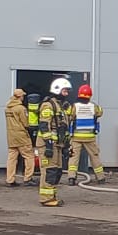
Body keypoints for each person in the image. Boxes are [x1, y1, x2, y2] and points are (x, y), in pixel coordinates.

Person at [36, 77, 75, 207]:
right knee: (49, 171)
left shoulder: (62, 107)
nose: (67, 93)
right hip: (48, 145)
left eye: (67, 91)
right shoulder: (48, 105)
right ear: (57, 90)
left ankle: (51, 196)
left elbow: (64, 127)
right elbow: (44, 126)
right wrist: (48, 145)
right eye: (65, 91)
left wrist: (66, 146)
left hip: (57, 145)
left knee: (57, 172)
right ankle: (46, 198)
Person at [70, 83, 110, 183]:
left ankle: (71, 178)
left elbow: (70, 116)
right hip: (90, 138)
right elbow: (100, 112)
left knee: (73, 157)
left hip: (76, 137)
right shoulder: (94, 106)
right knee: (94, 156)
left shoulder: (75, 106)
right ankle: (100, 177)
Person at [4, 87, 32, 186]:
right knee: (29, 156)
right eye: (23, 96)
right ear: (20, 97)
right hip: (21, 135)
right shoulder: (21, 108)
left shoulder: (7, 108)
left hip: (11, 135)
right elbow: (25, 122)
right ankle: (28, 178)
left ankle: (10, 179)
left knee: (12, 158)